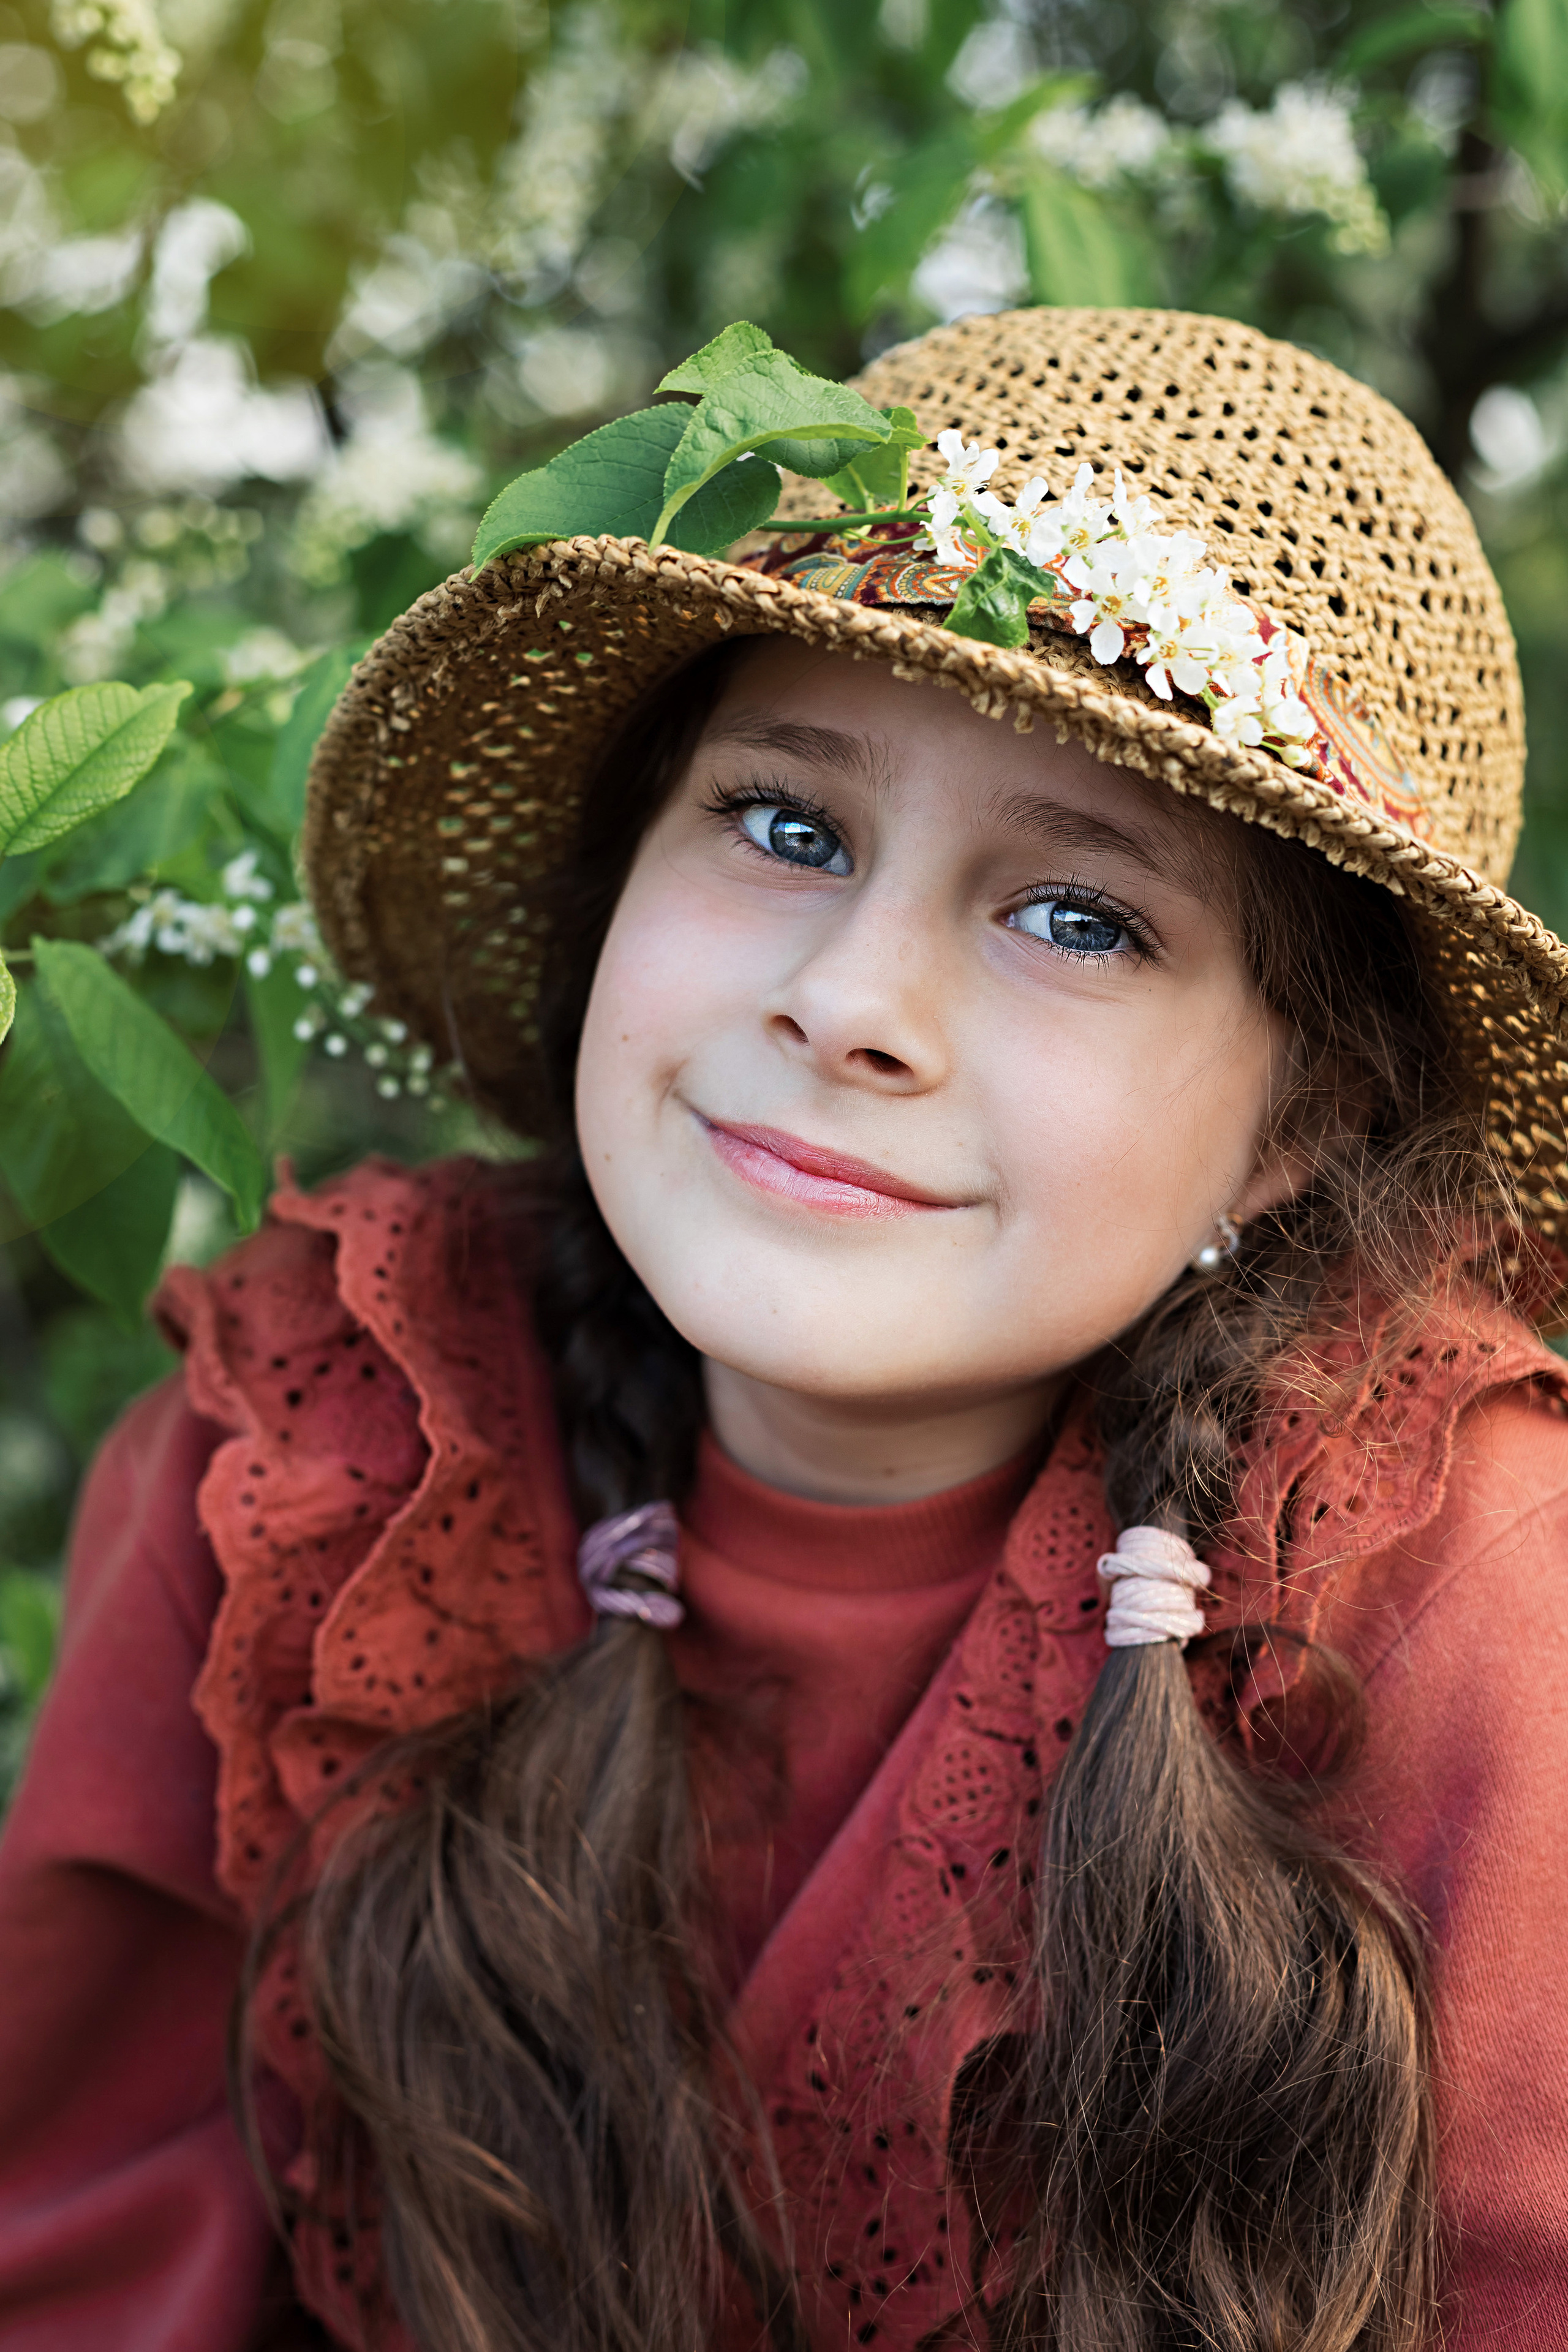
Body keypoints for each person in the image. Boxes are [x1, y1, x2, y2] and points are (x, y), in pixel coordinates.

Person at [1, 306, 1566, 2352]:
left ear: (1298, 1127)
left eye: (1079, 915)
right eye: (787, 826)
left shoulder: (1454, 1595)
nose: (850, 1002)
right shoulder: (308, 1463)